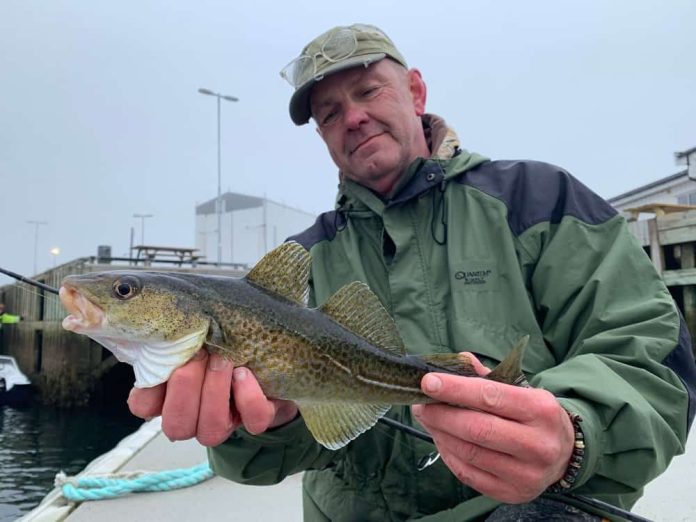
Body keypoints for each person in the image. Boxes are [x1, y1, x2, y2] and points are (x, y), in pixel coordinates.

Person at [128, 24, 696, 520]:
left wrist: (576, 432)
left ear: (416, 91)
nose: (352, 117)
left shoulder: (539, 200)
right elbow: (286, 452)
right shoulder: (301, 261)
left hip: (537, 511)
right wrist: (261, 427)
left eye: (368, 90)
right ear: (322, 136)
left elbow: (654, 357)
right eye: (329, 113)